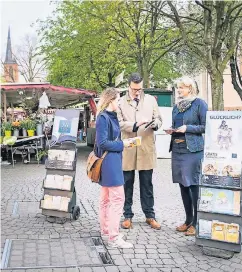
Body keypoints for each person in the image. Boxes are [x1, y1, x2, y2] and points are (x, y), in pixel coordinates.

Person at [118, 72, 162, 230]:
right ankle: (127, 215)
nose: (137, 92)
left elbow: (159, 119)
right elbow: (119, 123)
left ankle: (150, 215)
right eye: (134, 89)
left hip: (146, 147)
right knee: (127, 184)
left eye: (140, 89)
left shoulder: (150, 100)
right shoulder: (120, 102)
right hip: (129, 148)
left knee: (147, 184)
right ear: (128, 86)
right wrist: (135, 125)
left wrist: (155, 124)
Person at [164, 76, 208, 236]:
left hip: (193, 150)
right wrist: (172, 129)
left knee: (194, 185)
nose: (179, 90)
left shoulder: (200, 104)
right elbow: (177, 126)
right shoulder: (176, 107)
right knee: (182, 185)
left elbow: (206, 126)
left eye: (182, 87)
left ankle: (196, 222)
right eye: (178, 88)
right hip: (178, 149)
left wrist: (187, 128)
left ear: (190, 88)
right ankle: (188, 219)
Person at [95, 87, 134, 248]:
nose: (120, 102)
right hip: (110, 162)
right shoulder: (104, 117)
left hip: (110, 161)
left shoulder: (108, 116)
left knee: (105, 199)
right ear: (111, 100)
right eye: (118, 100)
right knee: (117, 200)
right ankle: (114, 237)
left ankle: (106, 230)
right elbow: (103, 143)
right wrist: (122, 144)